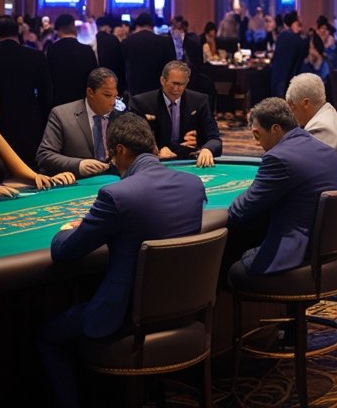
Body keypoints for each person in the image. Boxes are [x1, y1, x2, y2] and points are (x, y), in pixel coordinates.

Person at [38, 112, 205, 408]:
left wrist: (68, 227)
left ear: (120, 151)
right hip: (184, 310)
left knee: (47, 336)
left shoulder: (116, 195)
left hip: (125, 318)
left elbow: (63, 253)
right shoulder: (193, 185)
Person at [226, 97, 337, 276]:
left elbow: (240, 211)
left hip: (295, 254)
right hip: (328, 249)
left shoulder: (279, 158)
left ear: (275, 129)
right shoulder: (324, 149)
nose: (257, 143)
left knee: (229, 263)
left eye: (257, 135)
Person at [0, 14, 54, 166]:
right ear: (17, 31)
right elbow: (46, 94)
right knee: (29, 169)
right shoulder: (35, 56)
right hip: (29, 121)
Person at [129, 60, 222, 167]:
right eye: (174, 83)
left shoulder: (199, 101)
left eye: (182, 84)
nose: (177, 89)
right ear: (163, 80)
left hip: (189, 162)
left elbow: (215, 138)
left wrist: (207, 149)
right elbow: (134, 142)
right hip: (154, 164)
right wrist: (156, 151)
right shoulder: (142, 103)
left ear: (187, 82)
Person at [36, 67, 122, 178]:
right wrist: (79, 165)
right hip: (78, 183)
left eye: (115, 96)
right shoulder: (62, 115)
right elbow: (44, 155)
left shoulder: (119, 116)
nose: (113, 102)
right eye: (107, 95)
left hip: (115, 180)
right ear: (90, 92)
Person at [285, 72, 337, 191]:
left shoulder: (321, 128)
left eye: (292, 105)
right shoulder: (329, 115)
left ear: (306, 103)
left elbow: (306, 173)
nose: (291, 111)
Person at [45, 13, 99, 108]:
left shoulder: (52, 50)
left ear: (58, 30)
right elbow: (94, 77)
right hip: (81, 102)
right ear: (72, 26)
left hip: (58, 103)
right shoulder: (86, 50)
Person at [121, 12, 176, 98]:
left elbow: (122, 68)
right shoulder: (165, 42)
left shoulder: (126, 42)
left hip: (135, 90)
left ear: (137, 25)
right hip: (158, 90)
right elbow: (172, 67)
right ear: (152, 26)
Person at [270, 10, 305, 98]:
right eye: (298, 25)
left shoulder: (282, 37)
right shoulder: (295, 39)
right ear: (293, 23)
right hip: (288, 81)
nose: (300, 29)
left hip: (278, 79)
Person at [94, 16, 126, 95]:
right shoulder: (113, 39)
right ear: (107, 27)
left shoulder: (94, 39)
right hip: (113, 79)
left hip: (97, 79)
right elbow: (121, 63)